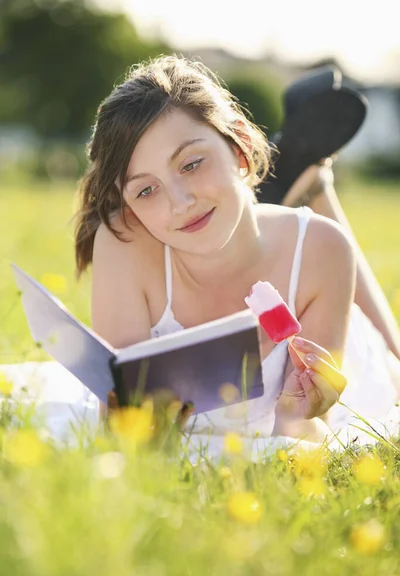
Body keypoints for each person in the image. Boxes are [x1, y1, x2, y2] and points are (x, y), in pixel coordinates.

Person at [74, 55, 400, 452]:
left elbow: (305, 435)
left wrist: (297, 412)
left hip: (343, 331)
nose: (180, 202)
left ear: (241, 145)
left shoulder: (322, 251)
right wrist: (135, 422)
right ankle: (302, 182)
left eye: (191, 164)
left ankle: (313, 186)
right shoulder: (124, 242)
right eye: (146, 189)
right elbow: (128, 427)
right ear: (130, 205)